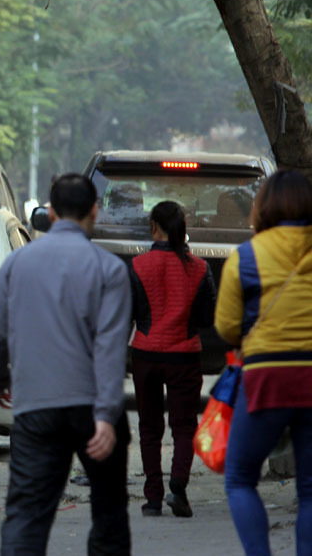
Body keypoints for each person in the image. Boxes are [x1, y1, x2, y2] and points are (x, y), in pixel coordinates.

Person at [0, 173, 132, 555]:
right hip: (94, 409)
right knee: (109, 514)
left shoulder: (16, 264)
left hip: (36, 408)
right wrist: (106, 415)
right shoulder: (110, 269)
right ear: (95, 210)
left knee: (27, 515)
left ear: (50, 212)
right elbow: (111, 349)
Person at [216, 170, 312, 556]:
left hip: (266, 378)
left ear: (264, 206)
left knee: (240, 477)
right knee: (310, 488)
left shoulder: (246, 255)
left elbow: (225, 326)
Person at [129, 200, 216, 518]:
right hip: (184, 355)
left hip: (146, 354)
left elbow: (129, 314)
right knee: (183, 425)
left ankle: (153, 498)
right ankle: (178, 484)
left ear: (154, 227)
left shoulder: (138, 266)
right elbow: (207, 317)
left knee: (150, 427)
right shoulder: (200, 268)